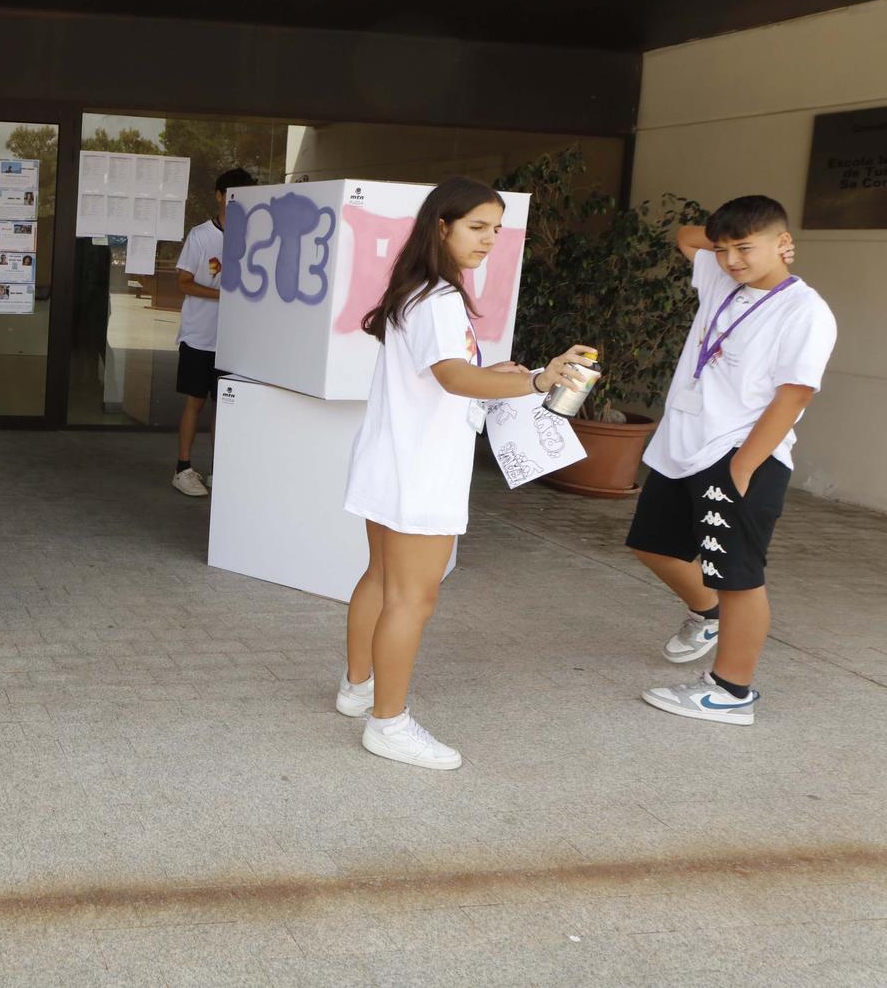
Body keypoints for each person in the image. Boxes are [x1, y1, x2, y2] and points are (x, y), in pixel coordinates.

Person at [338, 178, 593, 770]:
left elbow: (445, 375)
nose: (489, 240)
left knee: (380, 579)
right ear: (442, 226)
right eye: (478, 227)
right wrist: (536, 379)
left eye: (496, 230)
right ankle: (389, 723)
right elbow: (453, 378)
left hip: (392, 460)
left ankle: (359, 690)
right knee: (411, 598)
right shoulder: (439, 299)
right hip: (419, 468)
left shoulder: (420, 291)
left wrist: (497, 374)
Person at [626, 196, 836, 725]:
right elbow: (686, 236)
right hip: (684, 447)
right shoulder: (724, 279)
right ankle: (707, 615)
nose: (731, 260)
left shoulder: (805, 310)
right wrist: (727, 237)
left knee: (737, 576)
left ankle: (730, 691)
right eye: (723, 251)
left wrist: (742, 468)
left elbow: (794, 395)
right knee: (652, 546)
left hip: (741, 455)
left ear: (784, 243)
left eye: (746, 248)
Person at [169, 168, 256, 496]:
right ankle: (183, 468)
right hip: (199, 335)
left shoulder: (252, 237)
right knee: (196, 402)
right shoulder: (201, 235)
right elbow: (183, 282)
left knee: (226, 405)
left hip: (233, 339)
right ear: (219, 195)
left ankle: (222, 470)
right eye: (231, 194)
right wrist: (223, 295)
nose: (236, 201)